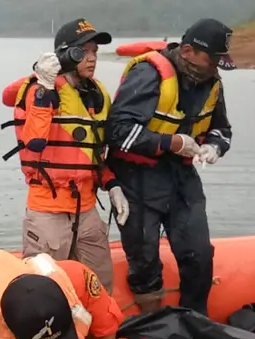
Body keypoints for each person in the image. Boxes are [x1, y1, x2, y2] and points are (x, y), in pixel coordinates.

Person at [104, 18, 234, 314]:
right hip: (136, 177)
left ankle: (195, 318)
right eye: (212, 59)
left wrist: (214, 146)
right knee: (144, 257)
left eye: (219, 61)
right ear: (187, 51)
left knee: (199, 254)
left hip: (181, 178)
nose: (215, 67)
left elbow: (222, 128)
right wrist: (172, 142)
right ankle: (152, 321)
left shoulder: (212, 82)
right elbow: (117, 131)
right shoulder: (149, 74)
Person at [0, 18, 129, 294]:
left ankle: (97, 335)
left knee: (100, 288)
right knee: (45, 293)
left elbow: (96, 154)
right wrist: (45, 89)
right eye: (85, 51)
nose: (92, 58)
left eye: (95, 51)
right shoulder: (38, 91)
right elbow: (34, 142)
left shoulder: (96, 96)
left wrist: (112, 184)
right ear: (67, 54)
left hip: (87, 209)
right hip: (47, 211)